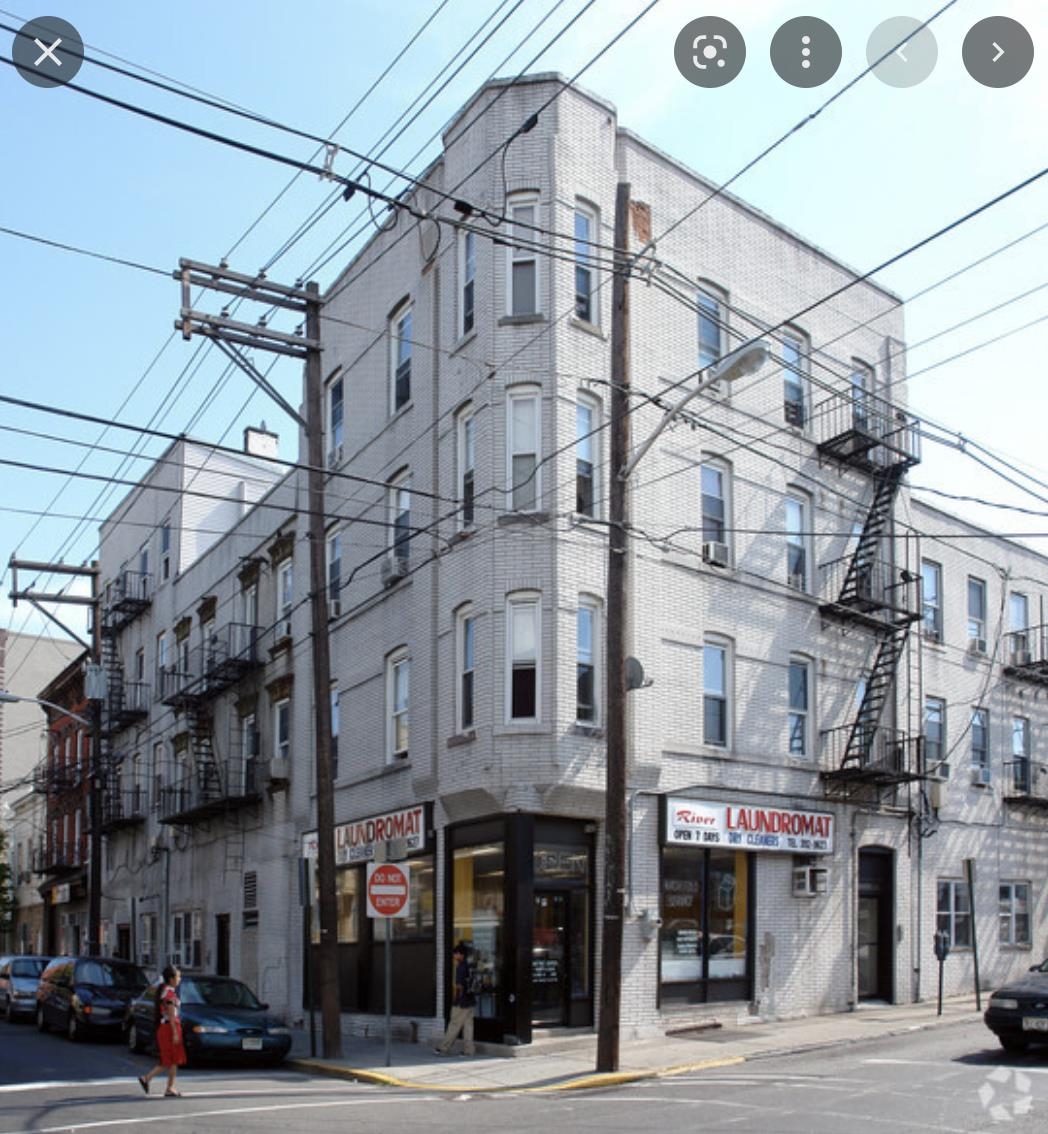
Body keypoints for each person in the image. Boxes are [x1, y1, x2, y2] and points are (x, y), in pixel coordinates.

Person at [137, 965, 186, 1097]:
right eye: (178, 976)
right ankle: (168, 1087)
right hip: (170, 1028)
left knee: (168, 1060)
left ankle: (147, 1079)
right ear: (171, 979)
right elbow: (171, 1014)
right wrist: (175, 1032)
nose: (179, 979)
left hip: (166, 1028)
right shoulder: (169, 993)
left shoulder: (165, 991)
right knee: (172, 1060)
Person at [434, 940, 476, 1056]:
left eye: (456, 954)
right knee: (468, 1026)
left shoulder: (460, 967)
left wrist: (457, 1000)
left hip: (462, 1001)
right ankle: (469, 1050)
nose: (454, 956)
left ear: (461, 954)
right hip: (471, 1000)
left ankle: (443, 1047)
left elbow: (459, 986)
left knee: (454, 1024)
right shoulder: (470, 965)